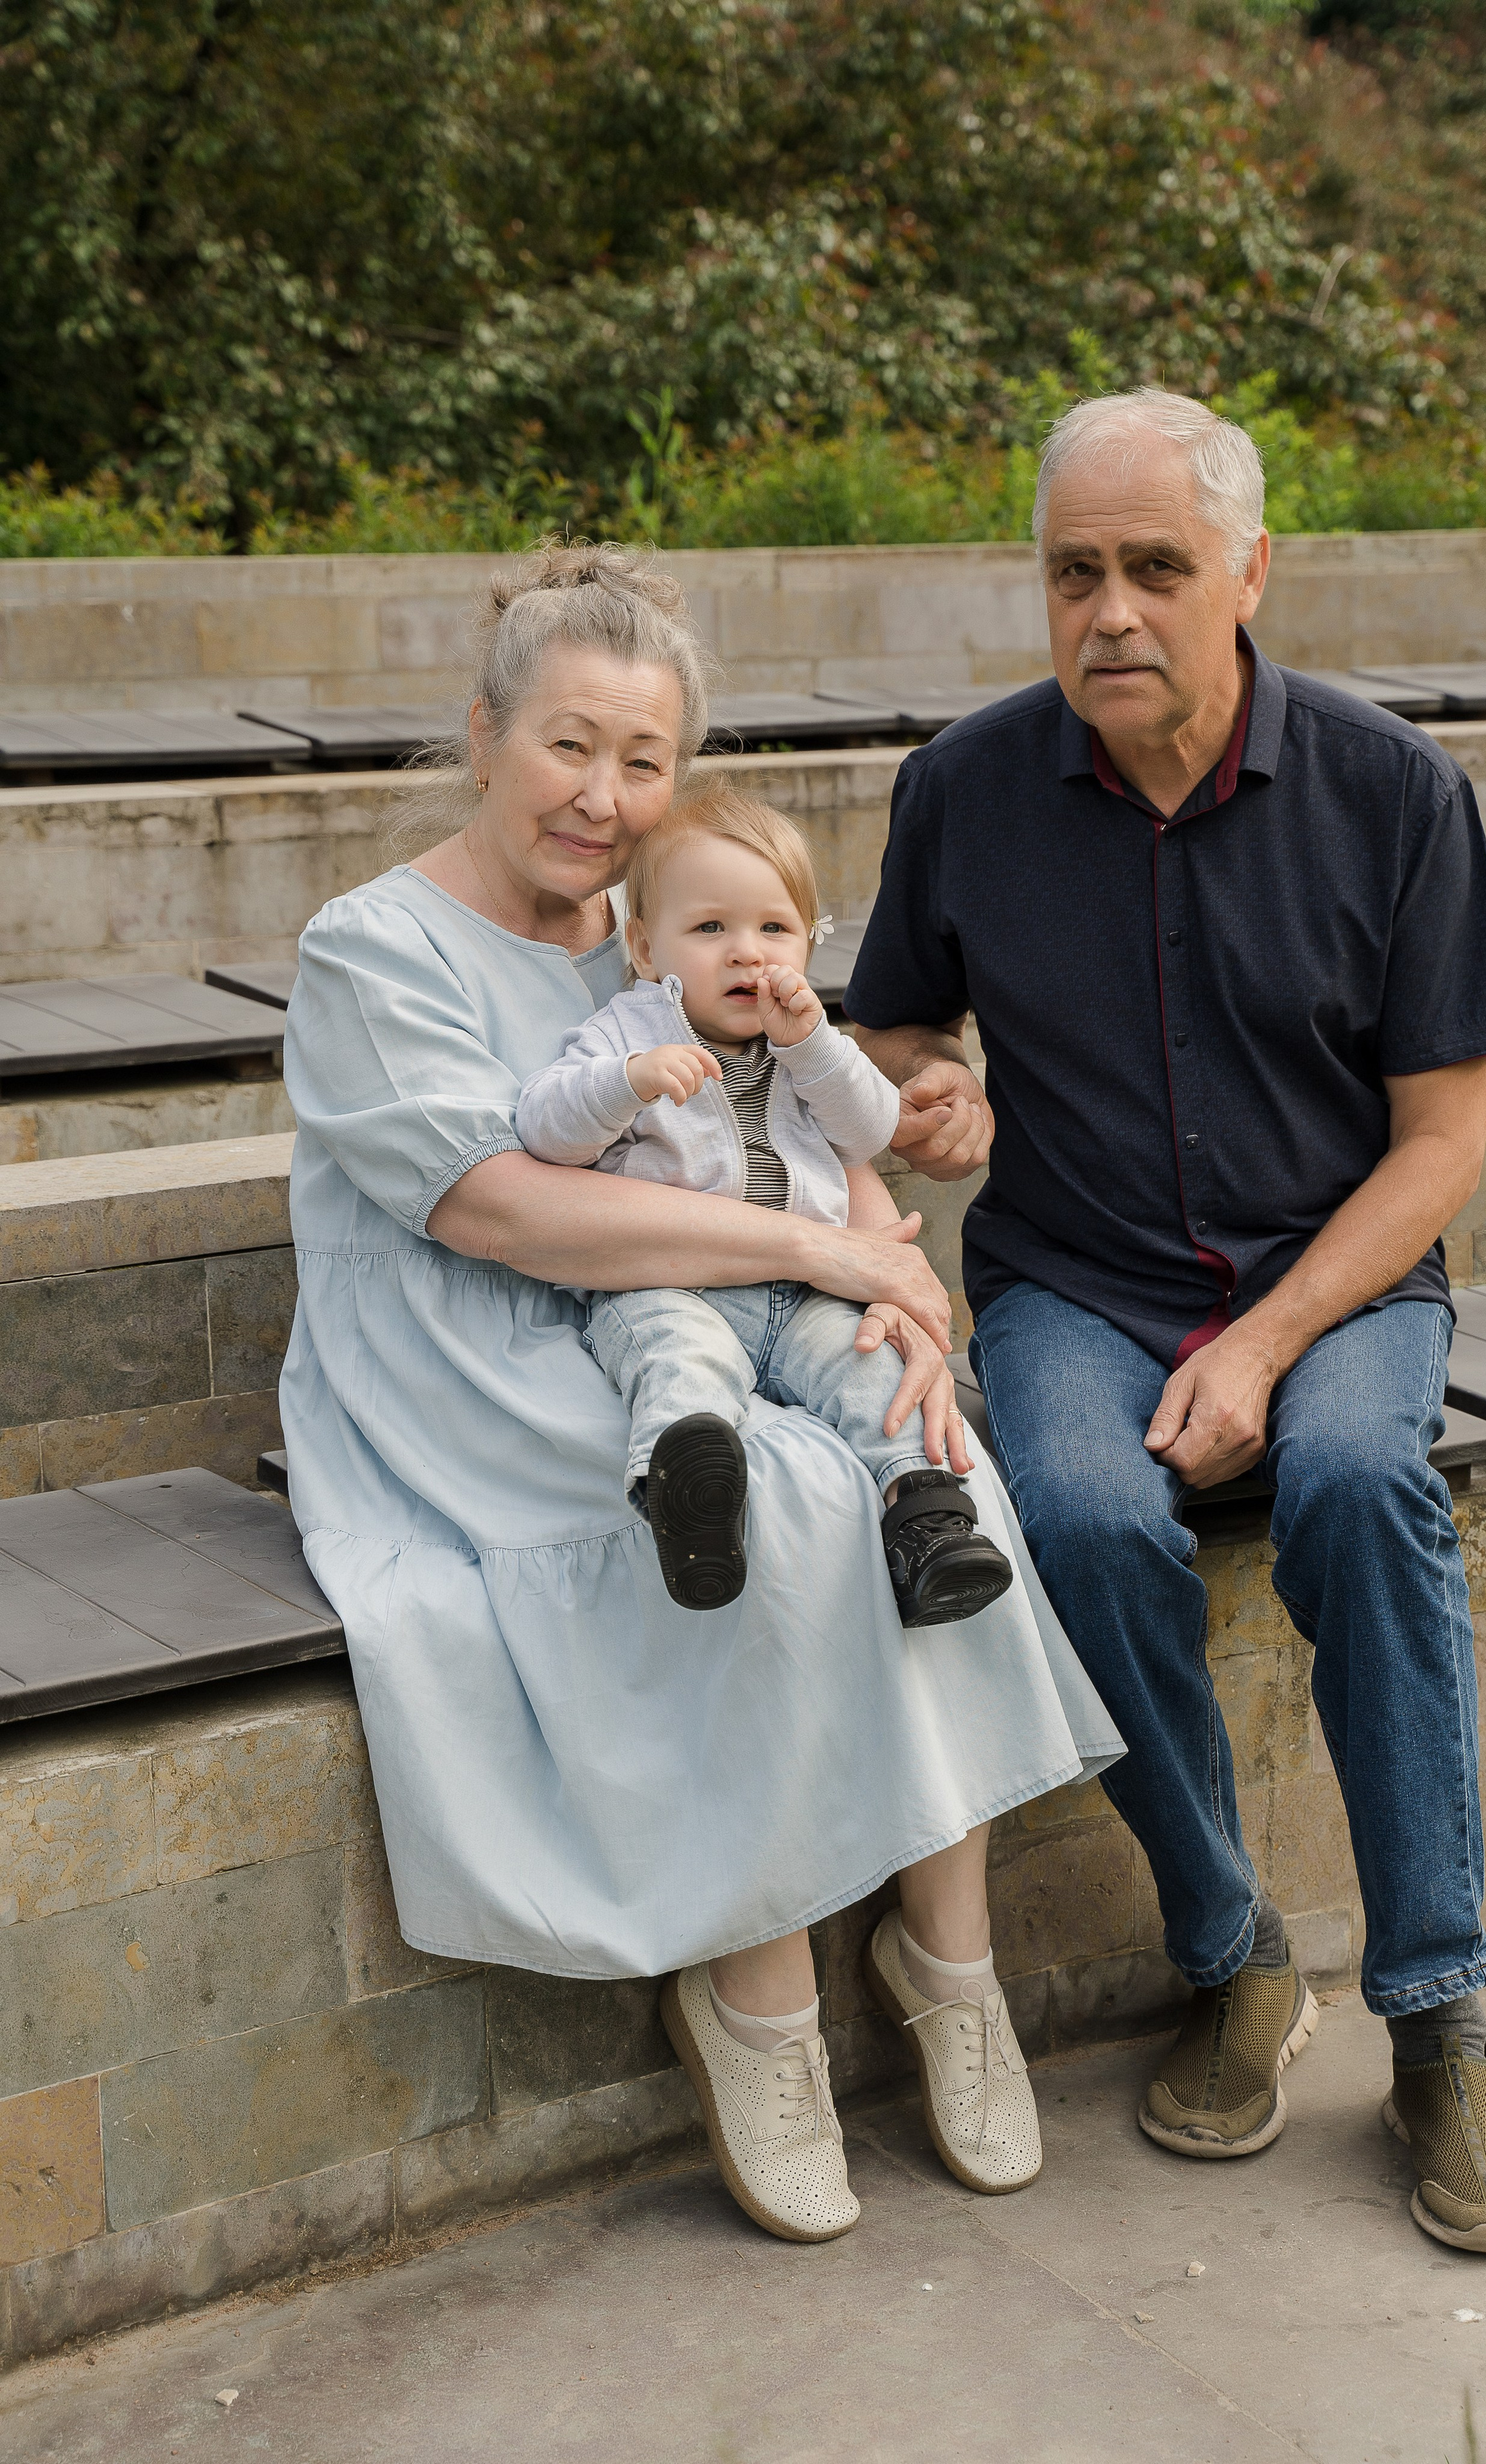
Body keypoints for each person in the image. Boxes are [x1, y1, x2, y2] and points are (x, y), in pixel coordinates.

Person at [278, 537, 1123, 2249]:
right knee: (770, 1504)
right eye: (568, 745)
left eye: (642, 761)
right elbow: (503, 1209)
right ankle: (763, 2002)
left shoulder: (665, 926)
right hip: (477, 1355)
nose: (602, 796)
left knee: (919, 1447)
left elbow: (795, 1126)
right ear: (484, 732)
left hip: (701, 1308)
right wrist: (826, 1263)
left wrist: (891, 1255)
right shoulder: (372, 949)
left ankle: (948, 1964)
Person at [848, 390, 1486, 2255]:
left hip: (1334, 1279)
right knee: (1075, 1516)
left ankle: (1436, 2018)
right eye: (1075, 572)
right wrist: (921, 1092)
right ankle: (1234, 1951)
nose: (1111, 613)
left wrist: (1259, 1346)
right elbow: (894, 1034)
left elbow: (1441, 1147)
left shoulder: (1396, 793)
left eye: (1156, 569)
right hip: (1075, 1276)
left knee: (1357, 1488)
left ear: (1248, 572)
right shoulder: (966, 791)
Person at [515, 783, 1015, 1627]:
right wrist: (624, 1087)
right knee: (680, 1366)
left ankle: (925, 1515)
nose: (747, 953)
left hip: (802, 1294)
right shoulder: (627, 1035)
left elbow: (873, 1128)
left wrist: (815, 1043)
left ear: (807, 943)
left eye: (773, 929)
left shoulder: (803, 1041)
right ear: (645, 945)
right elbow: (544, 1128)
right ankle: (696, 1500)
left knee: (871, 1373)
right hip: (665, 1285)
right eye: (711, 929)